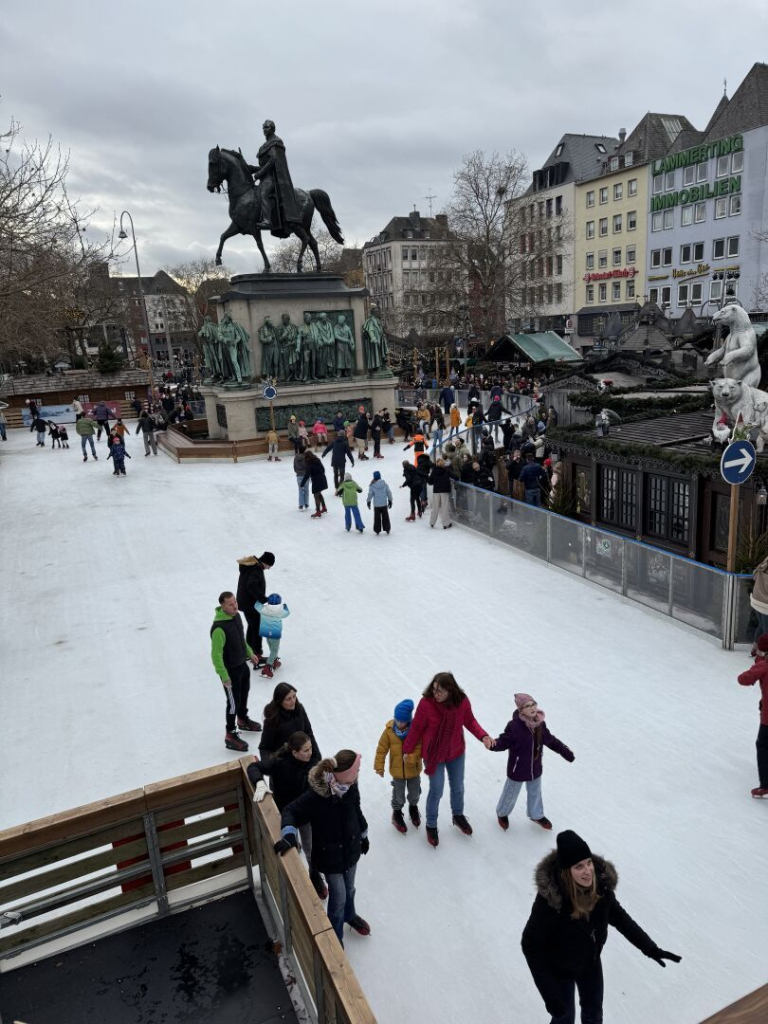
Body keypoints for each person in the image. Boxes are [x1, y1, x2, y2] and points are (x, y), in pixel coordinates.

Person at [522, 830, 681, 1024]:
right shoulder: (550, 903)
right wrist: (550, 994)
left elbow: (621, 919)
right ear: (567, 871)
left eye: (588, 862)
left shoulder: (601, 888)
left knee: (594, 1015)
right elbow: (530, 944)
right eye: (579, 866)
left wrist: (650, 948)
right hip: (559, 968)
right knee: (564, 1018)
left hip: (590, 961)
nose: (587, 871)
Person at [275, 749, 371, 945]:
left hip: (351, 850)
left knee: (350, 889)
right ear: (343, 774)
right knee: (338, 899)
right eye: (356, 771)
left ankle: (349, 916)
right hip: (330, 857)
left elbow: (356, 810)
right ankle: (335, 938)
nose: (358, 775)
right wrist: (289, 834)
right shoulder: (317, 797)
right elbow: (290, 811)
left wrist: (363, 834)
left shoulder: (351, 786)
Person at [402, 672, 494, 847]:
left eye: (441, 691)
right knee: (437, 790)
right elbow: (416, 728)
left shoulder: (462, 702)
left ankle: (458, 816)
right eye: (434, 689)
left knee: (458, 787)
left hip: (456, 752)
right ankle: (431, 825)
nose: (436, 694)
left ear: (451, 691)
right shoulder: (426, 703)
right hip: (434, 754)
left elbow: (470, 721)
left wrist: (483, 736)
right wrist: (407, 749)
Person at [249, 732, 327, 899]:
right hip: (284, 815)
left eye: (310, 748)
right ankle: (294, 881)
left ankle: (314, 875)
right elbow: (254, 767)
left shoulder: (313, 763)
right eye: (305, 750)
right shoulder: (280, 763)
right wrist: (259, 783)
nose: (310, 753)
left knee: (311, 849)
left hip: (305, 815)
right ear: (294, 752)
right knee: (290, 847)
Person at [492, 693, 574, 831]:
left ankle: (536, 815)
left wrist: (565, 751)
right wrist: (492, 744)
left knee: (535, 792)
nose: (532, 708)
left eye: (533, 704)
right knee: (510, 794)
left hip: (535, 767)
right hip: (517, 768)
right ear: (521, 710)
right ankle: (502, 813)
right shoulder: (514, 726)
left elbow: (550, 740)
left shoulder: (540, 724)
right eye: (527, 706)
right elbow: (504, 741)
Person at [210, 591, 262, 752]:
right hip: (230, 672)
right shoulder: (219, 629)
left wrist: (250, 653)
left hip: (242, 666)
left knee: (243, 695)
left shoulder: (236, 617)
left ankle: (243, 719)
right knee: (233, 704)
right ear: (223, 606)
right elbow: (216, 655)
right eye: (231, 604)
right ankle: (230, 734)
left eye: (235, 602)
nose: (235, 606)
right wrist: (224, 676)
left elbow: (241, 639)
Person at [374, 699, 422, 833]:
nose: (399, 723)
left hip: (413, 770)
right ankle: (396, 813)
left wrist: (411, 757)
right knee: (398, 795)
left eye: (403, 721)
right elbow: (381, 749)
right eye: (397, 719)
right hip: (397, 771)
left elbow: (420, 749)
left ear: (408, 720)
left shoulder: (416, 731)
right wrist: (379, 766)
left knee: (414, 793)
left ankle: (413, 807)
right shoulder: (389, 731)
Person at [737, 632, 768, 797]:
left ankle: (766, 784)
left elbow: (744, 679)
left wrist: (759, 662)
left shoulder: (763, 665)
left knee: (763, 746)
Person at [260, 682, 320, 759]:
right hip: (284, 761)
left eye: (294, 696)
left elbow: (308, 733)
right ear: (280, 701)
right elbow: (264, 748)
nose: (293, 701)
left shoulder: (300, 709)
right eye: (288, 699)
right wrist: (269, 766)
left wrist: (317, 757)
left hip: (303, 755)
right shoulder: (272, 720)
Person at [236, 552, 275, 665]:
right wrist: (263, 598)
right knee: (258, 627)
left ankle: (247, 651)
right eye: (269, 566)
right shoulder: (256, 570)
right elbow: (251, 585)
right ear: (266, 562)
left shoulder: (251, 566)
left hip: (245, 603)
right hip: (250, 604)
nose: (269, 568)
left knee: (252, 626)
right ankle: (256, 654)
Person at [253, 593, 290, 679]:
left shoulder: (263, 608)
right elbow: (287, 613)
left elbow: (256, 605)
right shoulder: (281, 611)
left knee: (271, 647)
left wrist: (261, 599)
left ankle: (274, 660)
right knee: (275, 650)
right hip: (275, 634)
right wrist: (285, 606)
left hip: (266, 633)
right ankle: (268, 667)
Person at [427, 458, 454, 529]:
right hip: (444, 491)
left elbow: (430, 482)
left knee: (435, 507)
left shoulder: (434, 471)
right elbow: (455, 477)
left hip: (436, 491)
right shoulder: (447, 470)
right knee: (444, 508)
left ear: (436, 463)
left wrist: (434, 481)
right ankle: (446, 524)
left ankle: (432, 522)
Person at [300, 450, 329, 517]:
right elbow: (323, 469)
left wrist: (302, 484)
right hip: (322, 478)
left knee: (316, 495)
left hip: (316, 481)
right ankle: (324, 508)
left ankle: (318, 512)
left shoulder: (309, 463)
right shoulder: (317, 460)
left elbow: (307, 475)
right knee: (319, 494)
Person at [367, 470, 392, 535]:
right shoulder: (384, 484)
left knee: (377, 518)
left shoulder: (372, 485)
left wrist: (368, 501)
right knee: (385, 516)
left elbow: (370, 494)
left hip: (377, 505)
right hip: (384, 504)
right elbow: (388, 492)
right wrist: (390, 500)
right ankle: (387, 529)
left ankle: (377, 530)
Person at [294, 441, 310, 510]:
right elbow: (307, 466)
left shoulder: (296, 458)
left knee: (300, 490)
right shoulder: (305, 458)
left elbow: (294, 467)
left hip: (299, 476)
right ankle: (306, 503)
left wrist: (297, 471)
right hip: (306, 475)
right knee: (306, 490)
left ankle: (301, 504)